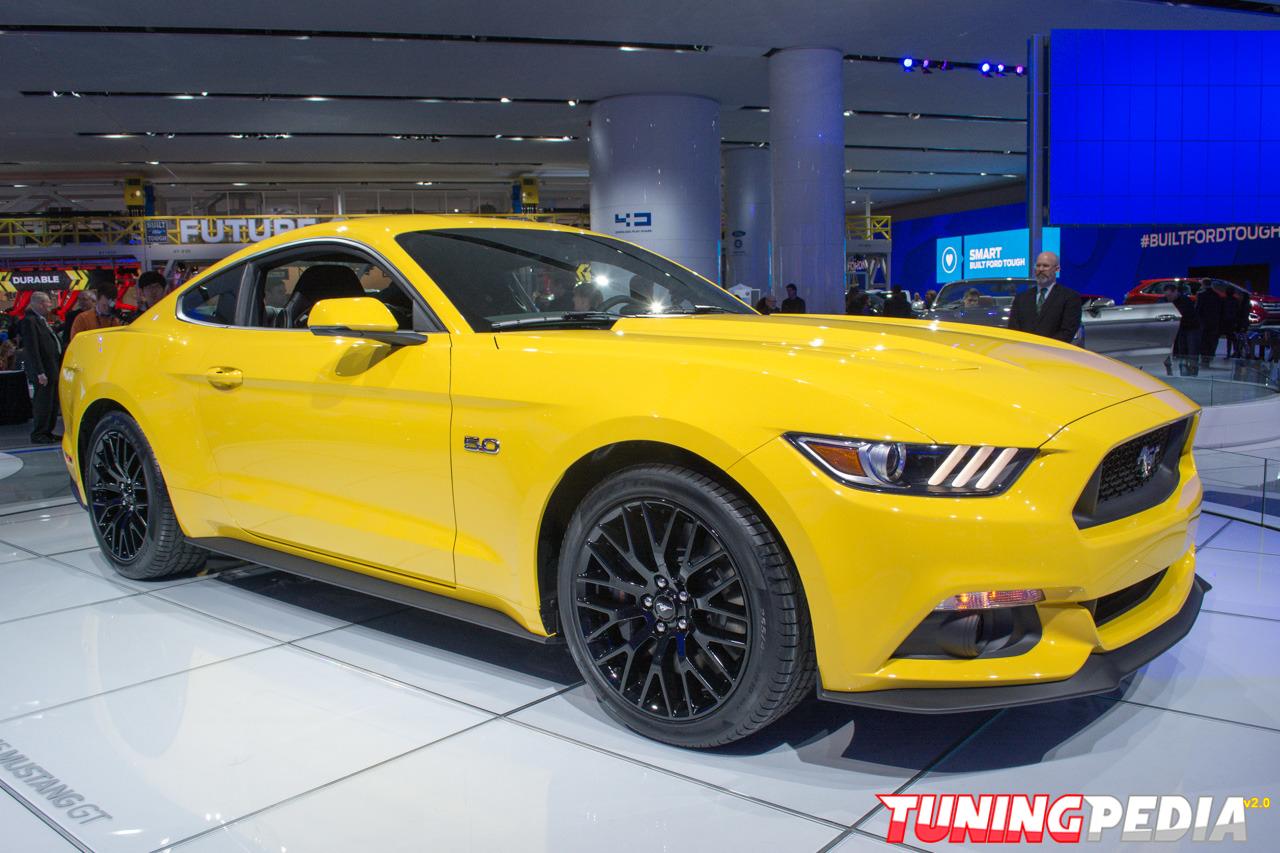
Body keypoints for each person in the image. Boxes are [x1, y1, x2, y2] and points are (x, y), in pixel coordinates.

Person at [17, 291, 63, 444]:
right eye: (47, 303)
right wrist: (40, 372)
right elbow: (32, 348)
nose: (50, 306)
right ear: (39, 303)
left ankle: (48, 431)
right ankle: (39, 433)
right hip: (43, 370)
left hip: (52, 368)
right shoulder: (29, 321)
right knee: (43, 402)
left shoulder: (41, 320)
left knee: (52, 402)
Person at [1008, 251, 1082, 343]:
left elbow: (1067, 331)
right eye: (1038, 266)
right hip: (1023, 349)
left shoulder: (1070, 297)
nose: (1041, 269)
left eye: (1045, 266)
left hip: (1053, 350)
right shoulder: (1021, 298)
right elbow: (1013, 330)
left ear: (1057, 269)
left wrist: (1042, 347)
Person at [1162, 282, 1199, 375]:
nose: (1168, 298)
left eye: (1170, 295)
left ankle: (1193, 371)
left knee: (1192, 350)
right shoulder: (1165, 300)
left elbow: (1182, 314)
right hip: (1180, 328)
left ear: (1175, 292)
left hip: (1192, 327)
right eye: (1166, 296)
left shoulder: (1185, 301)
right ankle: (1184, 371)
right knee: (1182, 351)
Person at [1196, 281, 1225, 364]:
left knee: (1204, 340)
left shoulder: (1201, 295)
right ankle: (1210, 356)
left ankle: (1204, 358)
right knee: (1212, 340)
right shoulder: (1217, 295)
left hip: (1203, 322)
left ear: (1203, 285)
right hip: (1214, 322)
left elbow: (1198, 309)